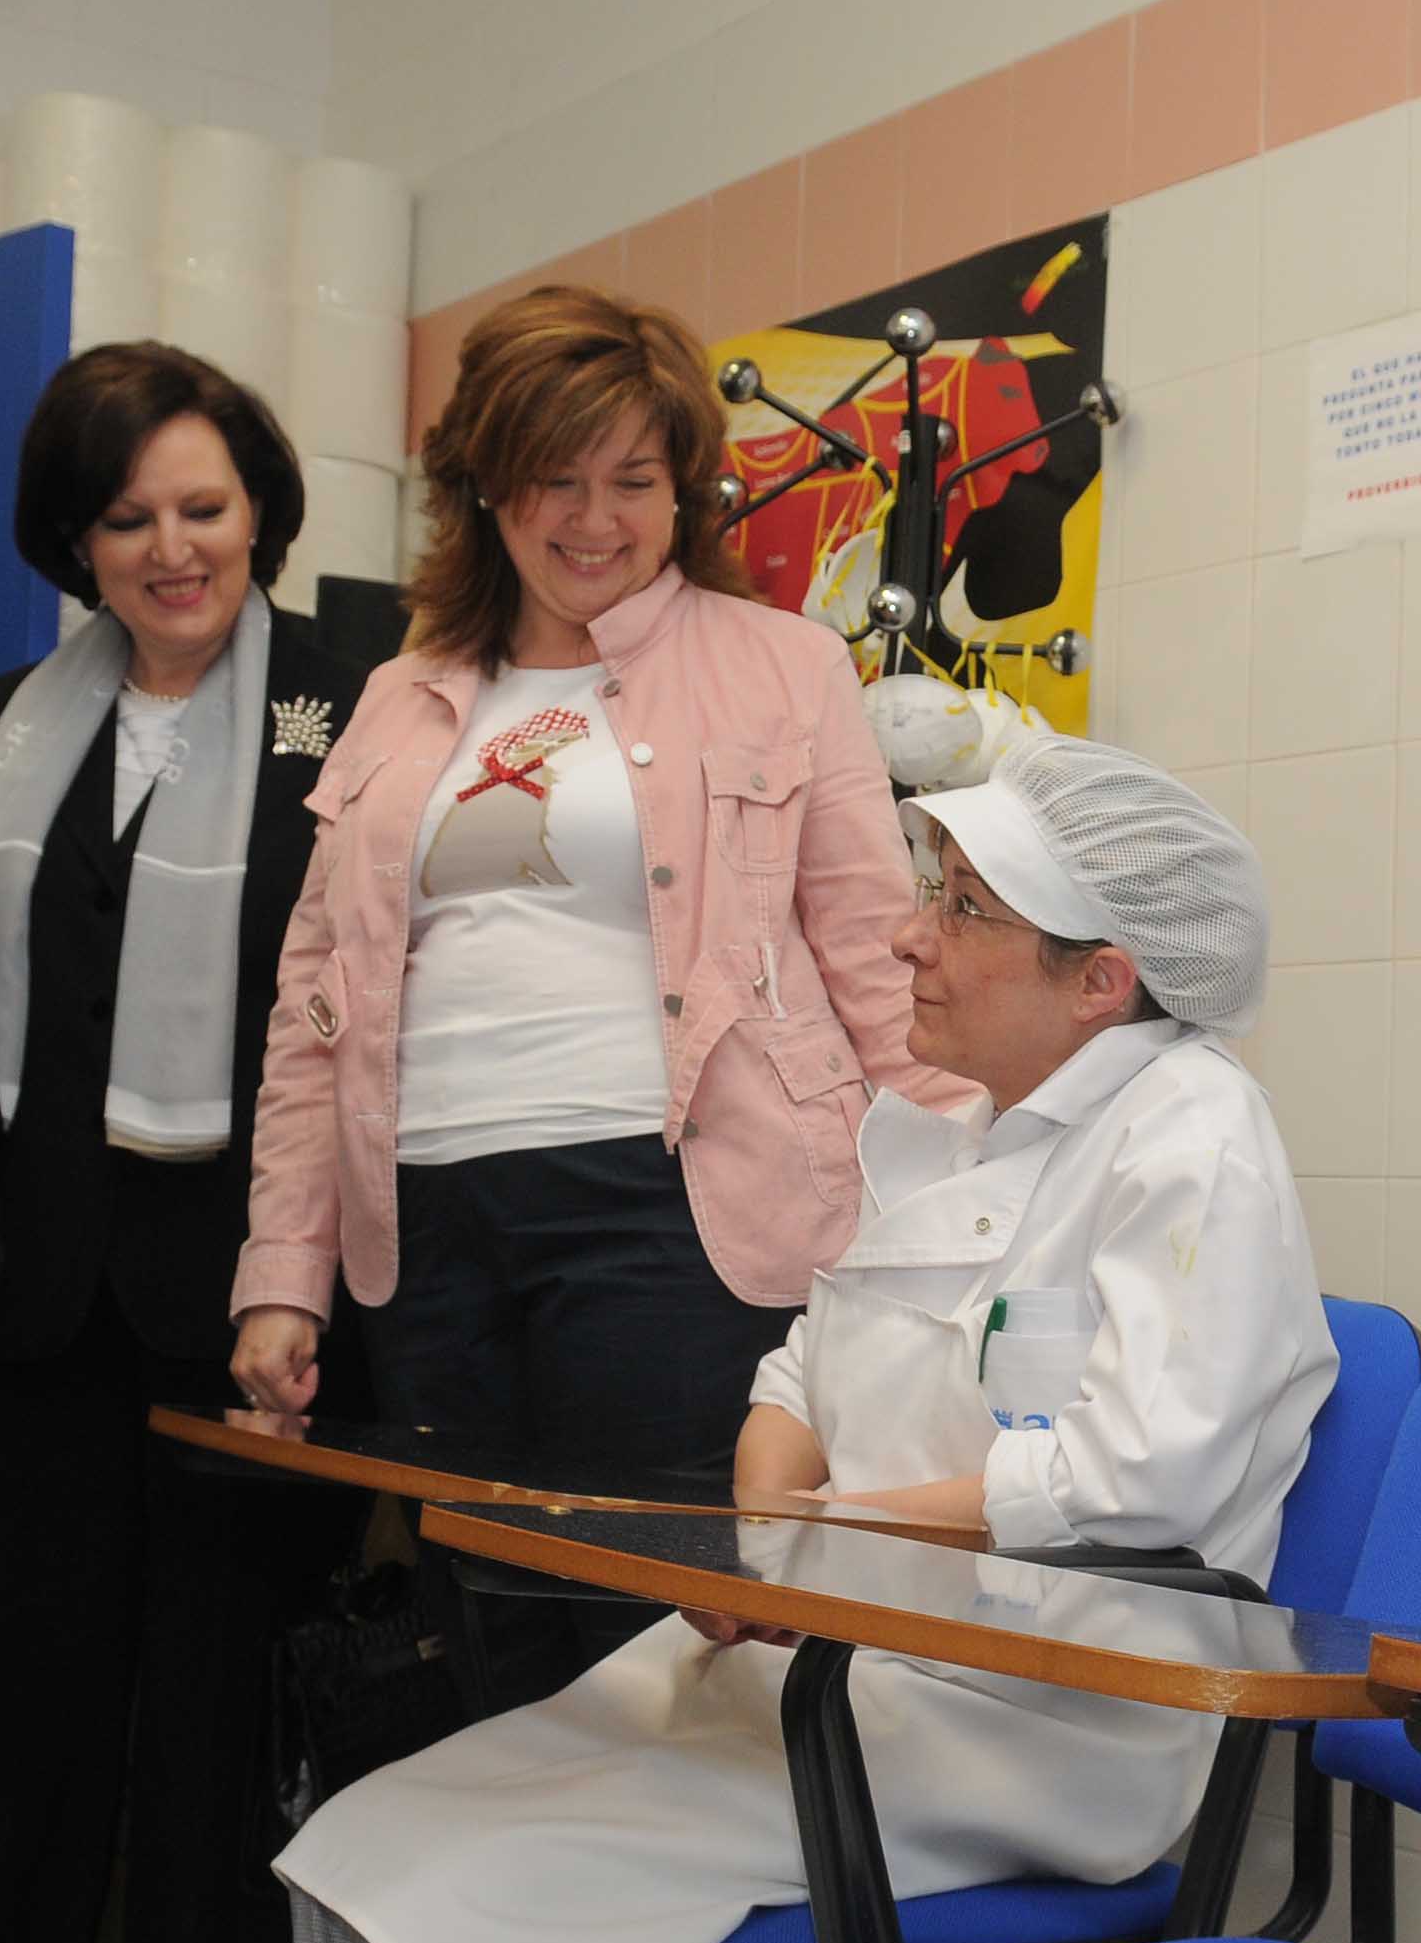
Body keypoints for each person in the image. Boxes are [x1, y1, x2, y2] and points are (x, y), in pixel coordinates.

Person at [255, 739, 1337, 1943]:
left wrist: (830, 1547)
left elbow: (1128, 1479)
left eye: (959, 907)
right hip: (834, 1661)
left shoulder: (1190, 1136)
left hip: (1027, 1719)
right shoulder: (939, 1125)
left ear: (1100, 977)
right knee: (355, 1858)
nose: (908, 934)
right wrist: (769, 1524)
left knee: (460, 1911)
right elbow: (798, 1367)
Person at [0, 343, 373, 1943]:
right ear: (72, 539)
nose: (171, 549)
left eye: (203, 508)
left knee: (214, 1711)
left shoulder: (357, 708)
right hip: (40, 1297)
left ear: (261, 512)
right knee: (30, 1699)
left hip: (260, 1301)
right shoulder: (10, 722)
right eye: (126, 516)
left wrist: (300, 1278)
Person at [226, 283, 961, 1493]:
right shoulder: (398, 694)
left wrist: (966, 1219)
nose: (594, 519)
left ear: (683, 489)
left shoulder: (785, 665)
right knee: (473, 1586)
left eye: (632, 480)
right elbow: (316, 1003)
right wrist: (282, 1275)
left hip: (679, 1210)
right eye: (555, 478)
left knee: (644, 1585)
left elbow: (883, 963)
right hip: (423, 1223)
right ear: (485, 484)